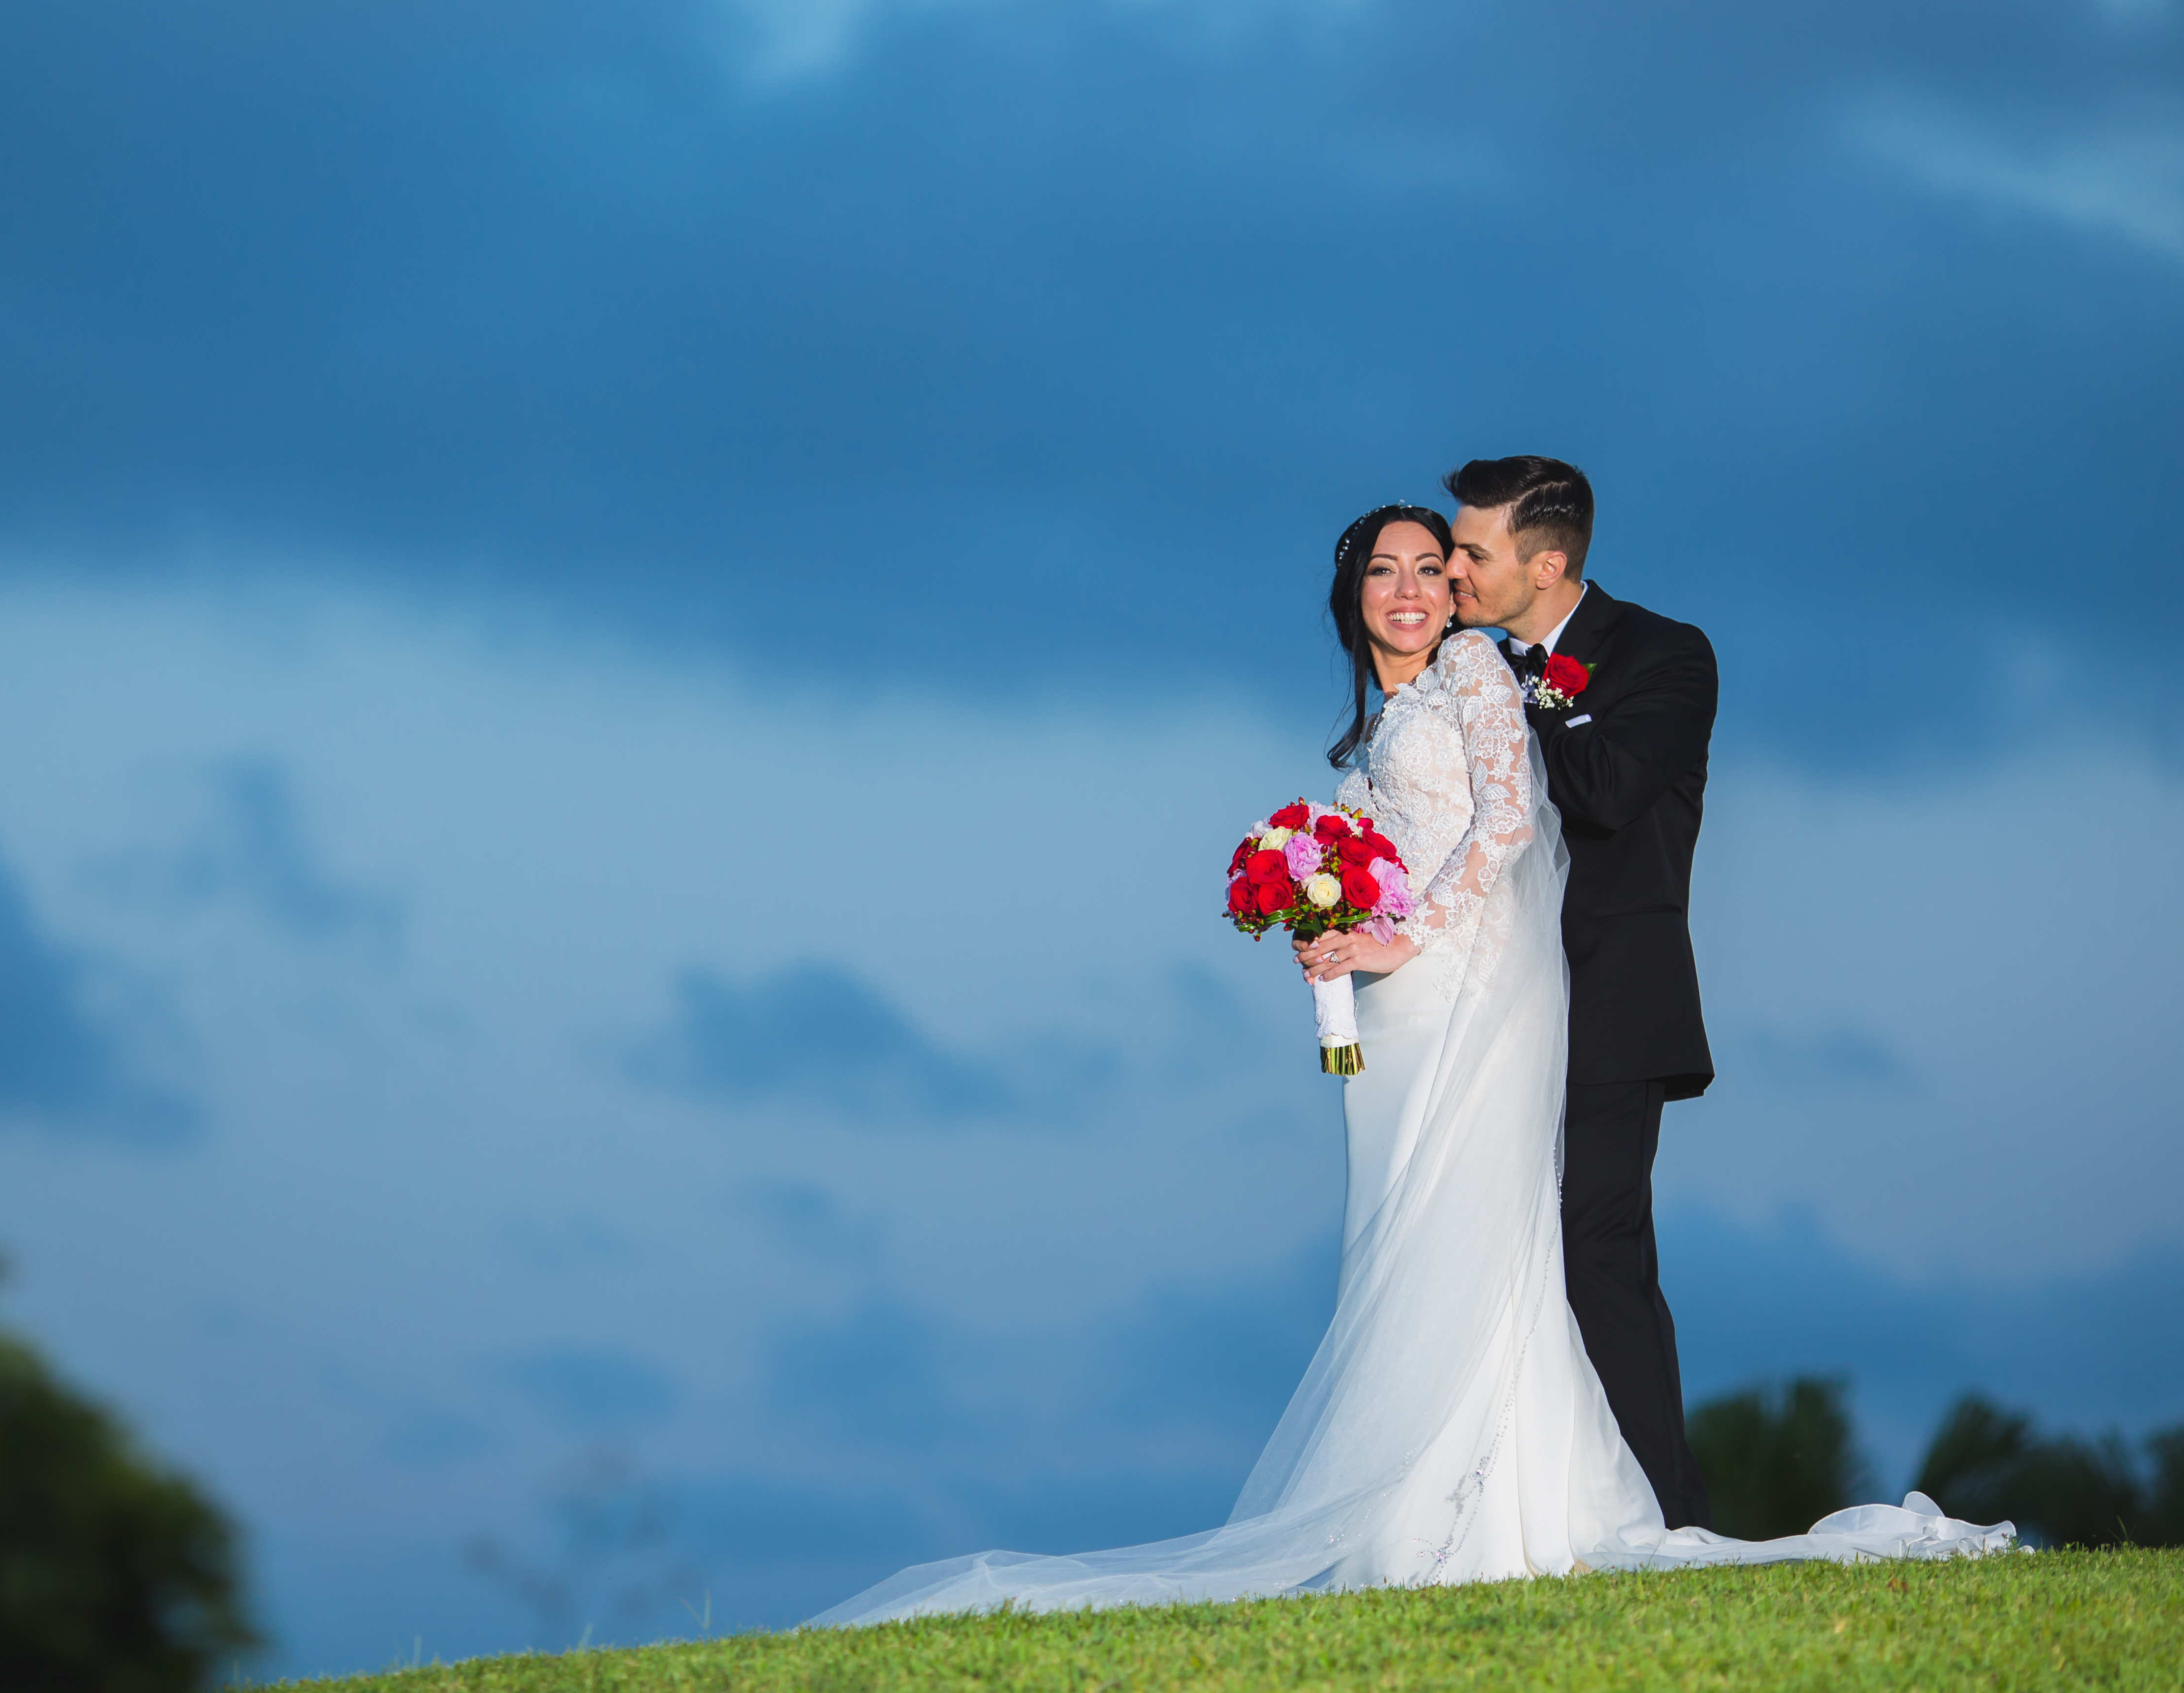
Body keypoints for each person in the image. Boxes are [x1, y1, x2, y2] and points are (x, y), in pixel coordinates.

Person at [807, 494, 2010, 1629]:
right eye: (1384, 571)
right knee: (1402, 1238)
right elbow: (1393, 856)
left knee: (1483, 1232)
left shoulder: (1477, 674)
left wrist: (1399, 934)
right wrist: (1328, 925)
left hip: (1475, 990)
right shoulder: (1379, 723)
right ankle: (1404, 1515)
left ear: (1459, 592)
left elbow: (1503, 824)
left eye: (1432, 570)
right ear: (1349, 598)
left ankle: (1500, 1510)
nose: (1410, 588)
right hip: (1394, 1012)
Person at [1424, 454, 1716, 1529]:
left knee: (1595, 1245)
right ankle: (1500, 1512)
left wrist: (1506, 692)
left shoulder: (1664, 656)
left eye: (1471, 552)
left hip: (1607, 998)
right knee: (1486, 1247)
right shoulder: (1456, 667)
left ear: (1544, 566)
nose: (1451, 569)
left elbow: (1600, 793)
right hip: (1486, 1003)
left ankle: (1665, 1514)